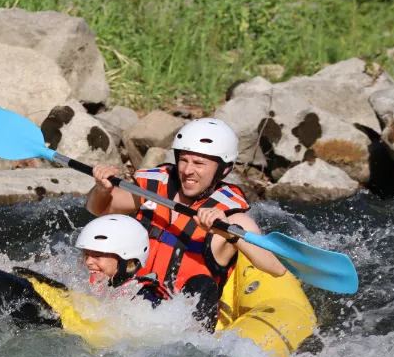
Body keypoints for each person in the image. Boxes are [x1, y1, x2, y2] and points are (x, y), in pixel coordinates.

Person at [85, 117, 286, 330]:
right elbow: (99, 208)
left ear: (223, 170)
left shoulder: (232, 217)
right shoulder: (151, 190)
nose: (188, 170)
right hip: (129, 305)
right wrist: (102, 189)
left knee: (202, 284)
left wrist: (229, 233)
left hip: (180, 325)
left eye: (199, 163)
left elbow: (276, 268)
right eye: (183, 160)